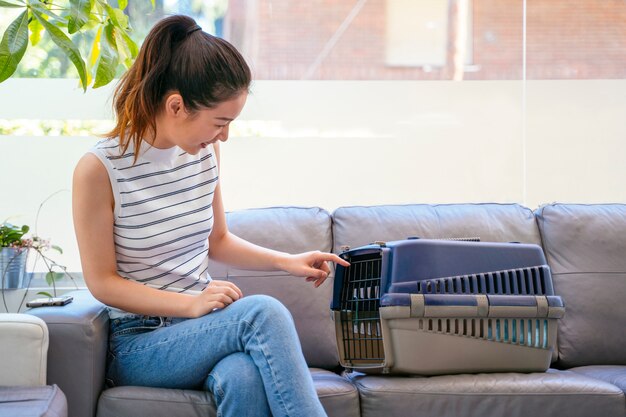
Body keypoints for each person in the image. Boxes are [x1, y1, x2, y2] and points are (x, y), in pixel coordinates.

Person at [72, 14, 349, 417]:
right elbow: (102, 282)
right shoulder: (99, 169)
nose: (224, 136)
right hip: (140, 341)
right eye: (220, 122)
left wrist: (285, 261)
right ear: (176, 106)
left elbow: (217, 240)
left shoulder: (204, 153)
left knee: (242, 376)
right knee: (263, 313)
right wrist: (190, 305)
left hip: (200, 330)